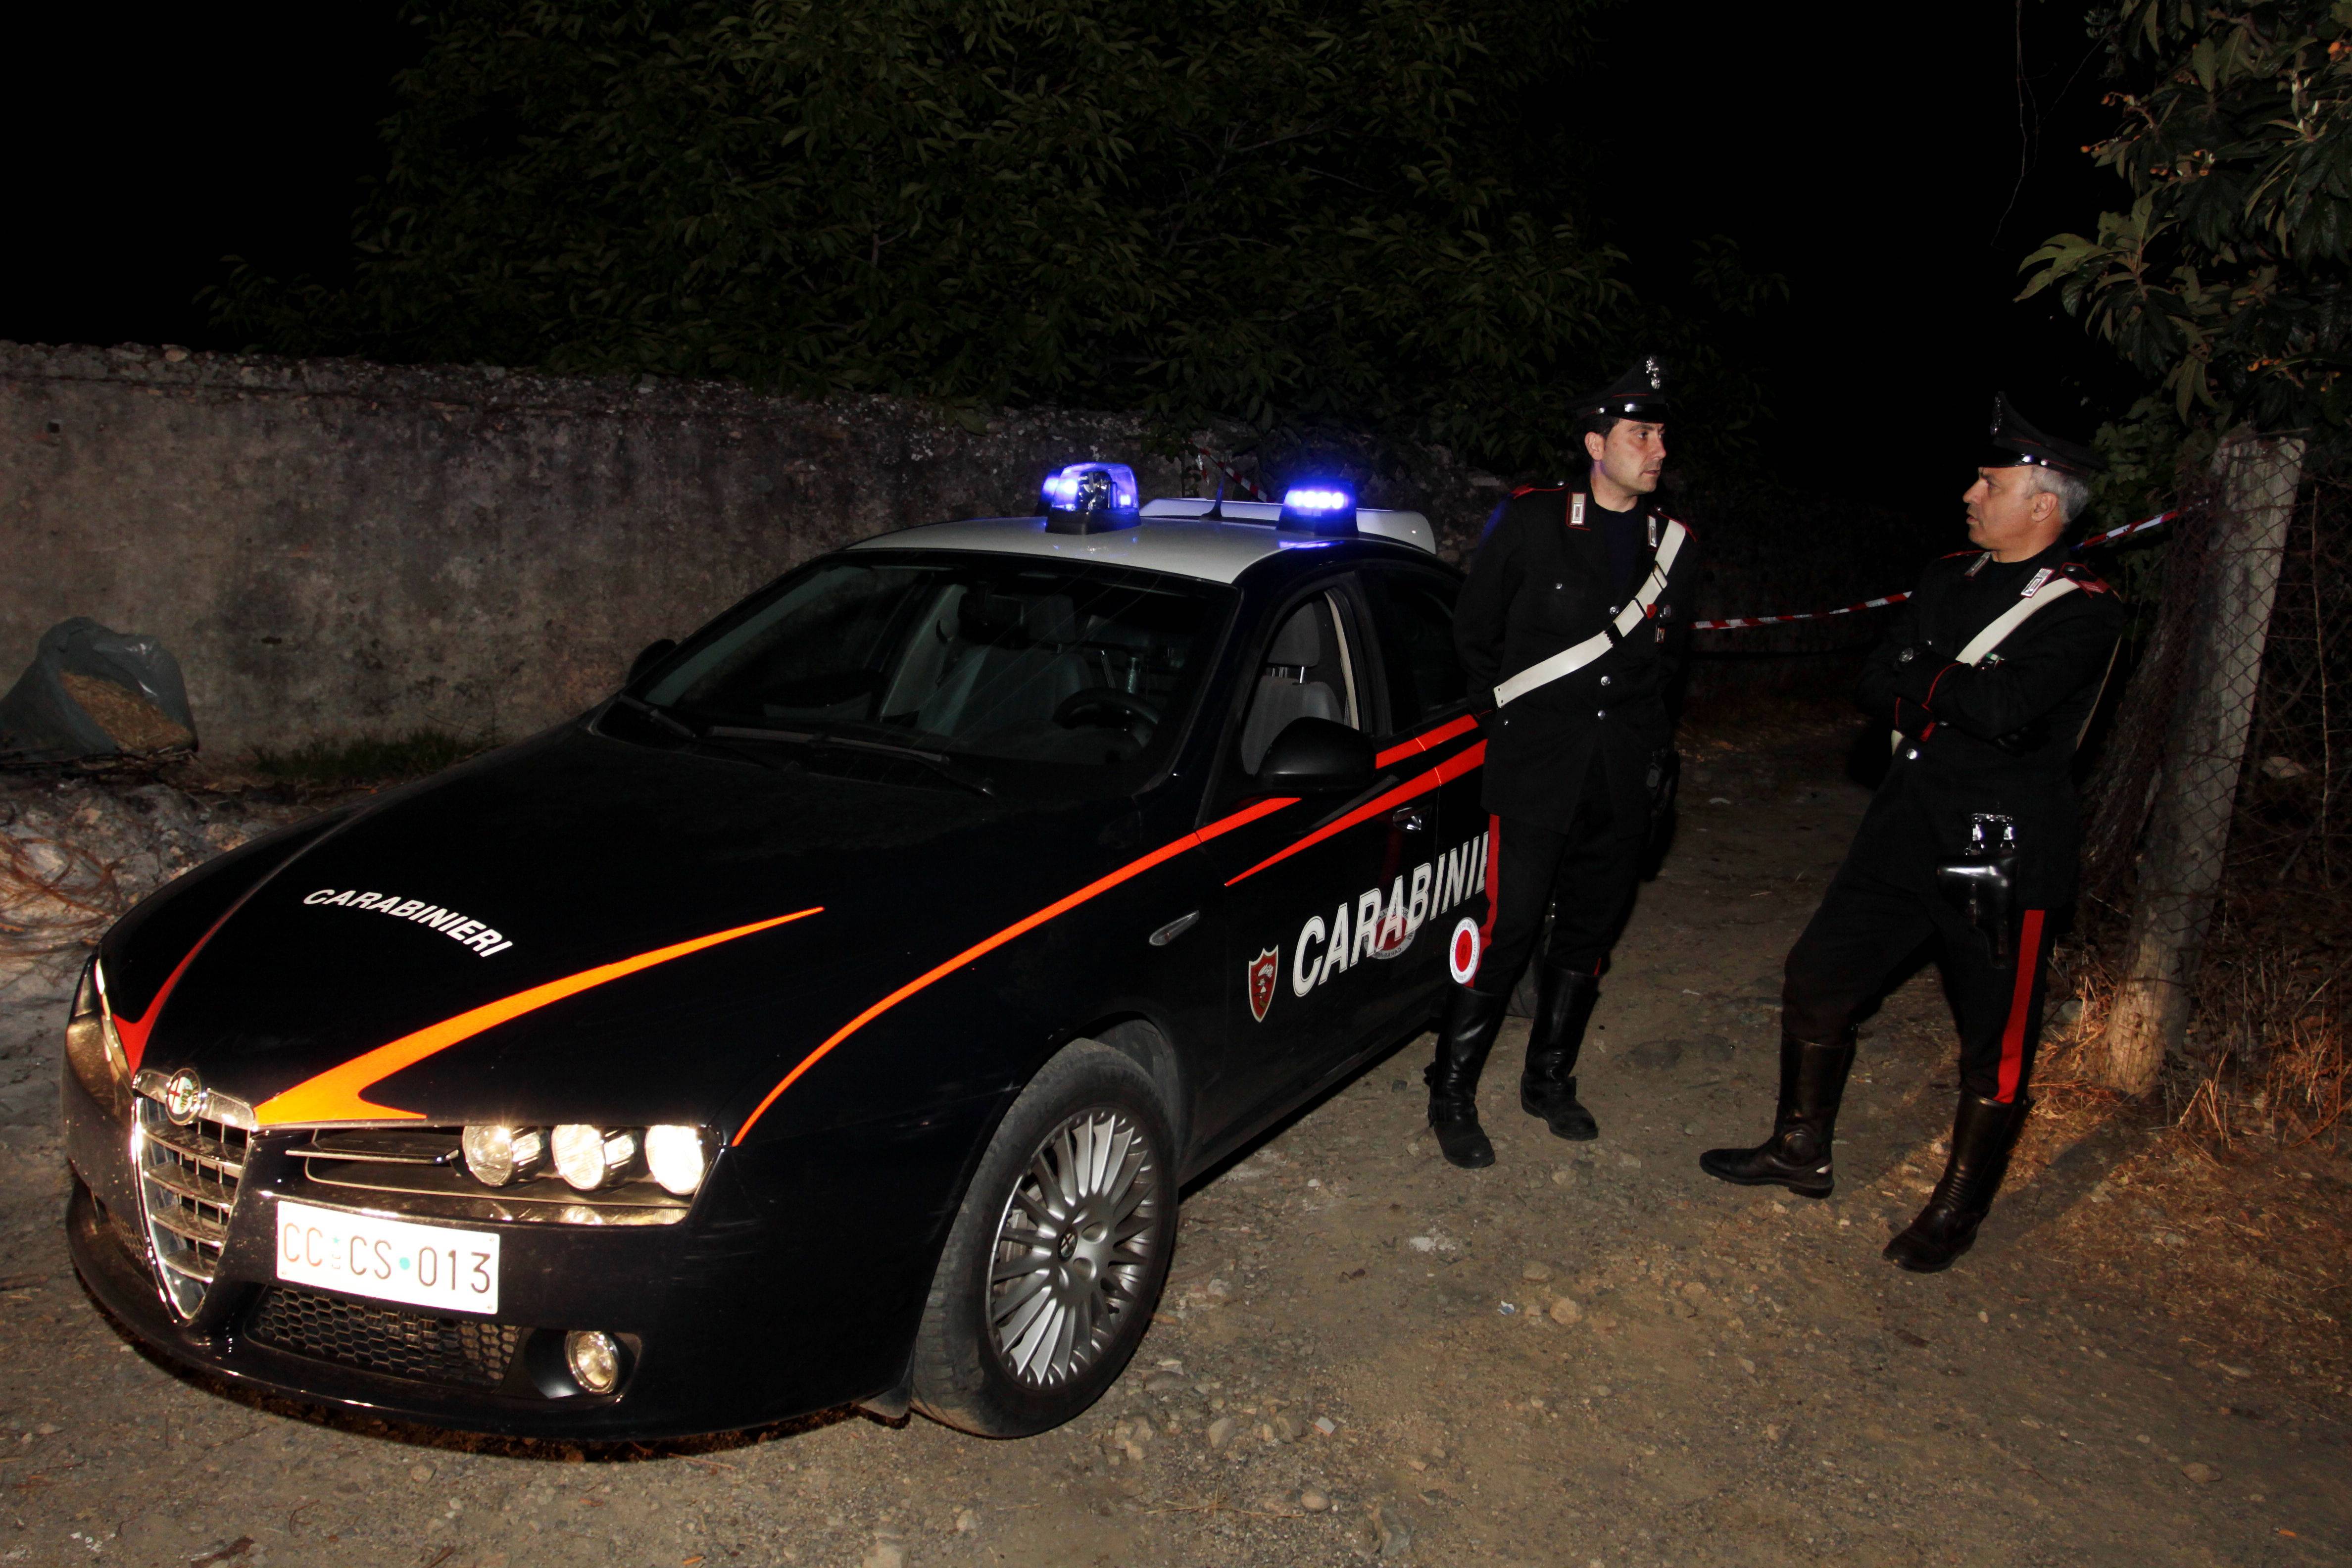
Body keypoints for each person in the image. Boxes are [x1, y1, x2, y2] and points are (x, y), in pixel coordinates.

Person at [1699, 394, 2124, 1272]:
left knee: (1992, 1045)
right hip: (1902, 830)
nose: (1970, 493)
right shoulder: (1946, 577)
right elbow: (1873, 682)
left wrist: (1927, 677)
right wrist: (1956, 691)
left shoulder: (2084, 609)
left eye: (1990, 481)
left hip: (1997, 853)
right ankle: (1800, 1147)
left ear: (2044, 505)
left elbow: (2002, 705)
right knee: (1818, 977)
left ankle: (1956, 1210)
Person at [1428, 356, 1700, 1169]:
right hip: (1538, 767)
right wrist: (1505, 717)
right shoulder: (1535, 520)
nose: (1656, 449)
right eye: (1639, 434)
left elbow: (1671, 669)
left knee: (1587, 936)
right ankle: (1452, 1089)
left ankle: (1548, 1080)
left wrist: (1655, 761)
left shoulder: (1675, 546)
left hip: (1622, 774)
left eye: (1660, 435)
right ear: (1595, 442)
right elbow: (1474, 634)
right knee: (1510, 930)